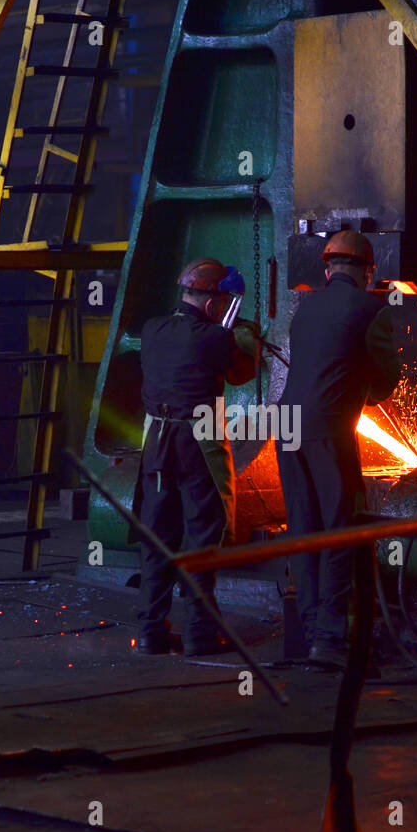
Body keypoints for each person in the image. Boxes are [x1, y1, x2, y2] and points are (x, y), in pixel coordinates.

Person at [276, 230, 401, 669]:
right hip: (329, 429)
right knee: (339, 530)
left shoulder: (304, 309)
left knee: (304, 529)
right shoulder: (372, 308)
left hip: (287, 425)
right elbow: (384, 382)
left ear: (327, 269)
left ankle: (310, 632)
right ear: (369, 271)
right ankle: (330, 641)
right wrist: (365, 390)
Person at [133, 258, 260, 656]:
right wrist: (245, 338)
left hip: (156, 442)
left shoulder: (152, 329)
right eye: (222, 303)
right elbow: (242, 374)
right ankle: (200, 635)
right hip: (198, 442)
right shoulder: (216, 338)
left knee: (157, 536)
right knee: (202, 536)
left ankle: (151, 633)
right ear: (212, 303)